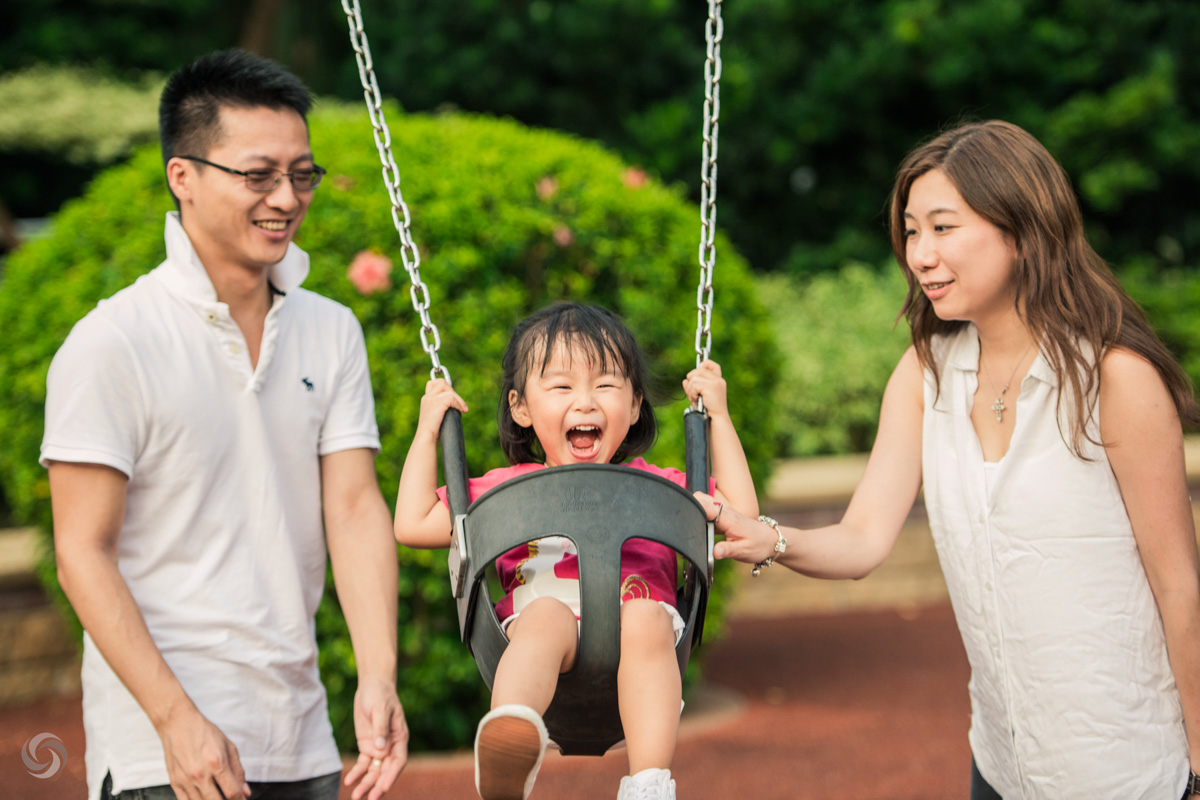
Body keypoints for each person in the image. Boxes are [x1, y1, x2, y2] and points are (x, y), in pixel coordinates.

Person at [700, 120, 1200, 799]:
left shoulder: (1114, 380)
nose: (920, 255)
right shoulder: (926, 373)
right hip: (1000, 765)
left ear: (1022, 230)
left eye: (943, 228)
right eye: (911, 231)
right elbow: (863, 538)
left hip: (1123, 770)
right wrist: (772, 539)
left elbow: (1179, 586)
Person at [42, 49, 407, 800]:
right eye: (258, 175)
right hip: (162, 754)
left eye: (301, 174)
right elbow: (81, 551)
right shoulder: (113, 341)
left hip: (300, 739)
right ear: (183, 176)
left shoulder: (331, 329)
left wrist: (378, 674)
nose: (287, 198)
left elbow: (353, 507)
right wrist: (176, 722)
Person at [394, 302, 758, 800]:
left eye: (605, 385)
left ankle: (649, 785)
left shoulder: (661, 485)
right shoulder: (505, 488)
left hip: (639, 636)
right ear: (521, 407)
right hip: (547, 636)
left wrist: (719, 417)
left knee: (647, 617)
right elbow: (412, 524)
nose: (585, 403)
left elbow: (741, 514)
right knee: (547, 615)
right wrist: (427, 432)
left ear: (634, 405)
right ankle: (511, 735)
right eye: (562, 387)